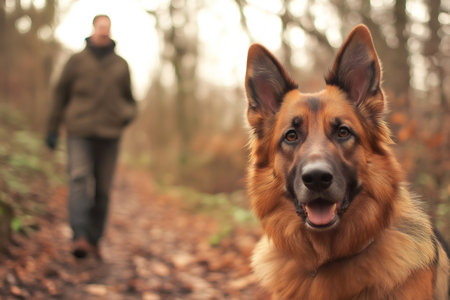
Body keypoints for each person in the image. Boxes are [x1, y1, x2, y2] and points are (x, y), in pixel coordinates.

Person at [45, 14, 137, 260]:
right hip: (79, 132)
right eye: (100, 26)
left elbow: (130, 100)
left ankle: (95, 238)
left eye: (108, 27)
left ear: (111, 30)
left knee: (103, 189)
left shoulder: (121, 65)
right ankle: (80, 237)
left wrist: (123, 117)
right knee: (78, 179)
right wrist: (52, 129)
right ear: (93, 29)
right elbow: (59, 94)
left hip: (109, 135)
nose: (104, 31)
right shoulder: (76, 61)